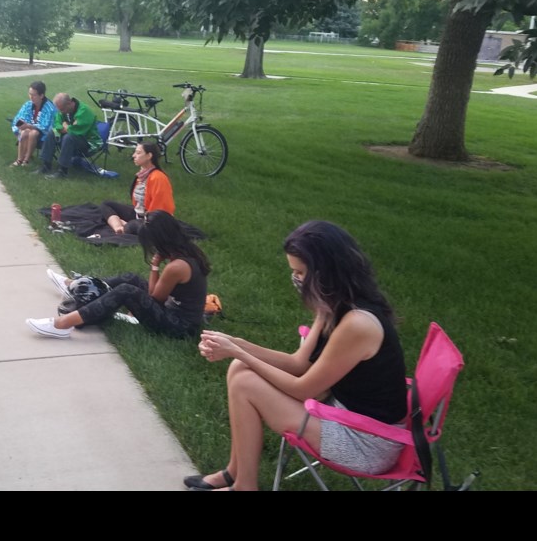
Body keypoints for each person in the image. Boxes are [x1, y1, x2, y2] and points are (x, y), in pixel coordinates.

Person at [185, 220, 407, 491]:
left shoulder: (358, 324)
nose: (297, 280)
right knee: (239, 368)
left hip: (367, 443)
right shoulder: (333, 304)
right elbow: (298, 363)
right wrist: (237, 343)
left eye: (301, 273)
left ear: (326, 271)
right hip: (343, 414)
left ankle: (245, 487)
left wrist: (237, 350)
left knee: (244, 382)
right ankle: (235, 472)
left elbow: (303, 389)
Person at [27, 210, 210, 339]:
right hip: (174, 309)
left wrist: (154, 267)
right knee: (132, 278)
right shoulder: (187, 251)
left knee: (126, 290)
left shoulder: (177, 266)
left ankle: (62, 325)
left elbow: (155, 298)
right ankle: (74, 284)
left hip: (180, 326)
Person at [100, 142, 175, 235]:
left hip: (153, 222)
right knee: (106, 204)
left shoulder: (158, 178)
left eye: (138, 153)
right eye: (135, 152)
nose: (134, 155)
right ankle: (118, 227)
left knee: (132, 227)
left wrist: (145, 222)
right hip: (138, 215)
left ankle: (125, 226)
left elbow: (160, 209)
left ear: (149, 156)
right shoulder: (142, 174)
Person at [36, 92, 102, 178]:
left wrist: (66, 127)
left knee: (68, 137)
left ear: (69, 103)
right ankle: (46, 165)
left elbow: (76, 130)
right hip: (73, 137)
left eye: (62, 110)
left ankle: (62, 171)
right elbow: (57, 123)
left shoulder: (84, 111)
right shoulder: (64, 109)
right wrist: (64, 127)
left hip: (87, 142)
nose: (61, 112)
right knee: (52, 132)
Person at [9, 80, 57, 167]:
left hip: (44, 134)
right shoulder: (28, 105)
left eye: (33, 95)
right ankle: (19, 159)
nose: (31, 97)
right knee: (24, 132)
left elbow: (46, 126)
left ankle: (26, 160)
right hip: (28, 129)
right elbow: (19, 118)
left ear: (41, 95)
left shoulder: (49, 108)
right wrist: (21, 125)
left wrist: (29, 126)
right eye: (29, 94)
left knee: (33, 133)